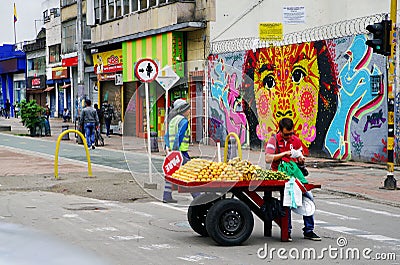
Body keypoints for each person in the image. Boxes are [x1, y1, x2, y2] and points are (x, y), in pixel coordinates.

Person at [265, 117, 321, 241]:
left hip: (295, 175)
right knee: (288, 201)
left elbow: (300, 157)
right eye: (286, 134)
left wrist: (301, 160)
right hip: (280, 175)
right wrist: (283, 154)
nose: (289, 137)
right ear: (280, 131)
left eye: (291, 134)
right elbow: (268, 158)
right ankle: (287, 230)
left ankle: (309, 230)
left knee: (309, 197)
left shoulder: (296, 140)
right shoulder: (273, 140)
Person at [163, 99, 199, 203]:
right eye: (188, 109)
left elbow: (167, 135)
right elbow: (179, 135)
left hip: (172, 152)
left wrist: (168, 148)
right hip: (181, 152)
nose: (189, 111)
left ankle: (166, 196)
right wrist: (176, 149)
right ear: (183, 110)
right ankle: (197, 196)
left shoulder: (173, 120)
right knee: (189, 173)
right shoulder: (183, 121)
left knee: (170, 173)